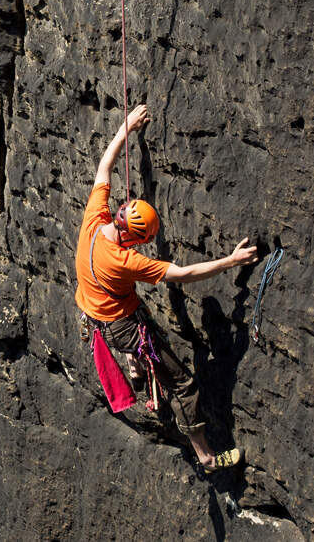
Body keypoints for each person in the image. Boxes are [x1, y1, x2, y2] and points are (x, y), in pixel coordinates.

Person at [74, 103, 258, 472]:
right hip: (121, 323)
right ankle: (206, 456)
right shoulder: (125, 261)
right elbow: (184, 274)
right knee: (184, 384)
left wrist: (126, 128)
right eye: (142, 241)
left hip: (96, 308)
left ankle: (136, 364)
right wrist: (230, 262)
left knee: (132, 320)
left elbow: (103, 167)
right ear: (132, 236)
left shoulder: (96, 218)